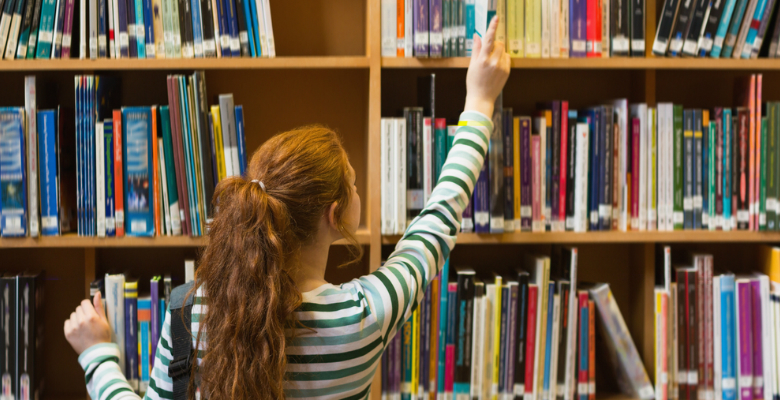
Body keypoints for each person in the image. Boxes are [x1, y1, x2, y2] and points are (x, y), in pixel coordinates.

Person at [63, 16, 510, 400]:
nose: (359, 191)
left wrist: (97, 354)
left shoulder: (188, 312)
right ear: (334, 216)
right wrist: (480, 101)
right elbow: (437, 222)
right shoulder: (364, 317)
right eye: (352, 185)